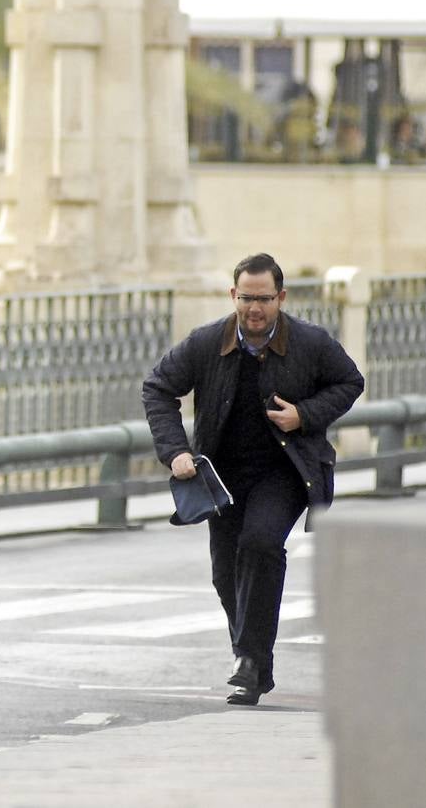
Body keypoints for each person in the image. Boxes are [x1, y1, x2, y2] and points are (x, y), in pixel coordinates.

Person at [142, 254, 363, 706]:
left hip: (285, 472)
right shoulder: (207, 343)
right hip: (220, 478)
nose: (254, 308)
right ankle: (255, 663)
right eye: (246, 298)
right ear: (233, 296)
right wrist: (176, 452)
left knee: (260, 545)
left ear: (281, 298)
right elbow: (158, 387)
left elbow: (349, 382)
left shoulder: (309, 342)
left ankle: (246, 660)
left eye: (264, 299)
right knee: (227, 575)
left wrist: (304, 415)